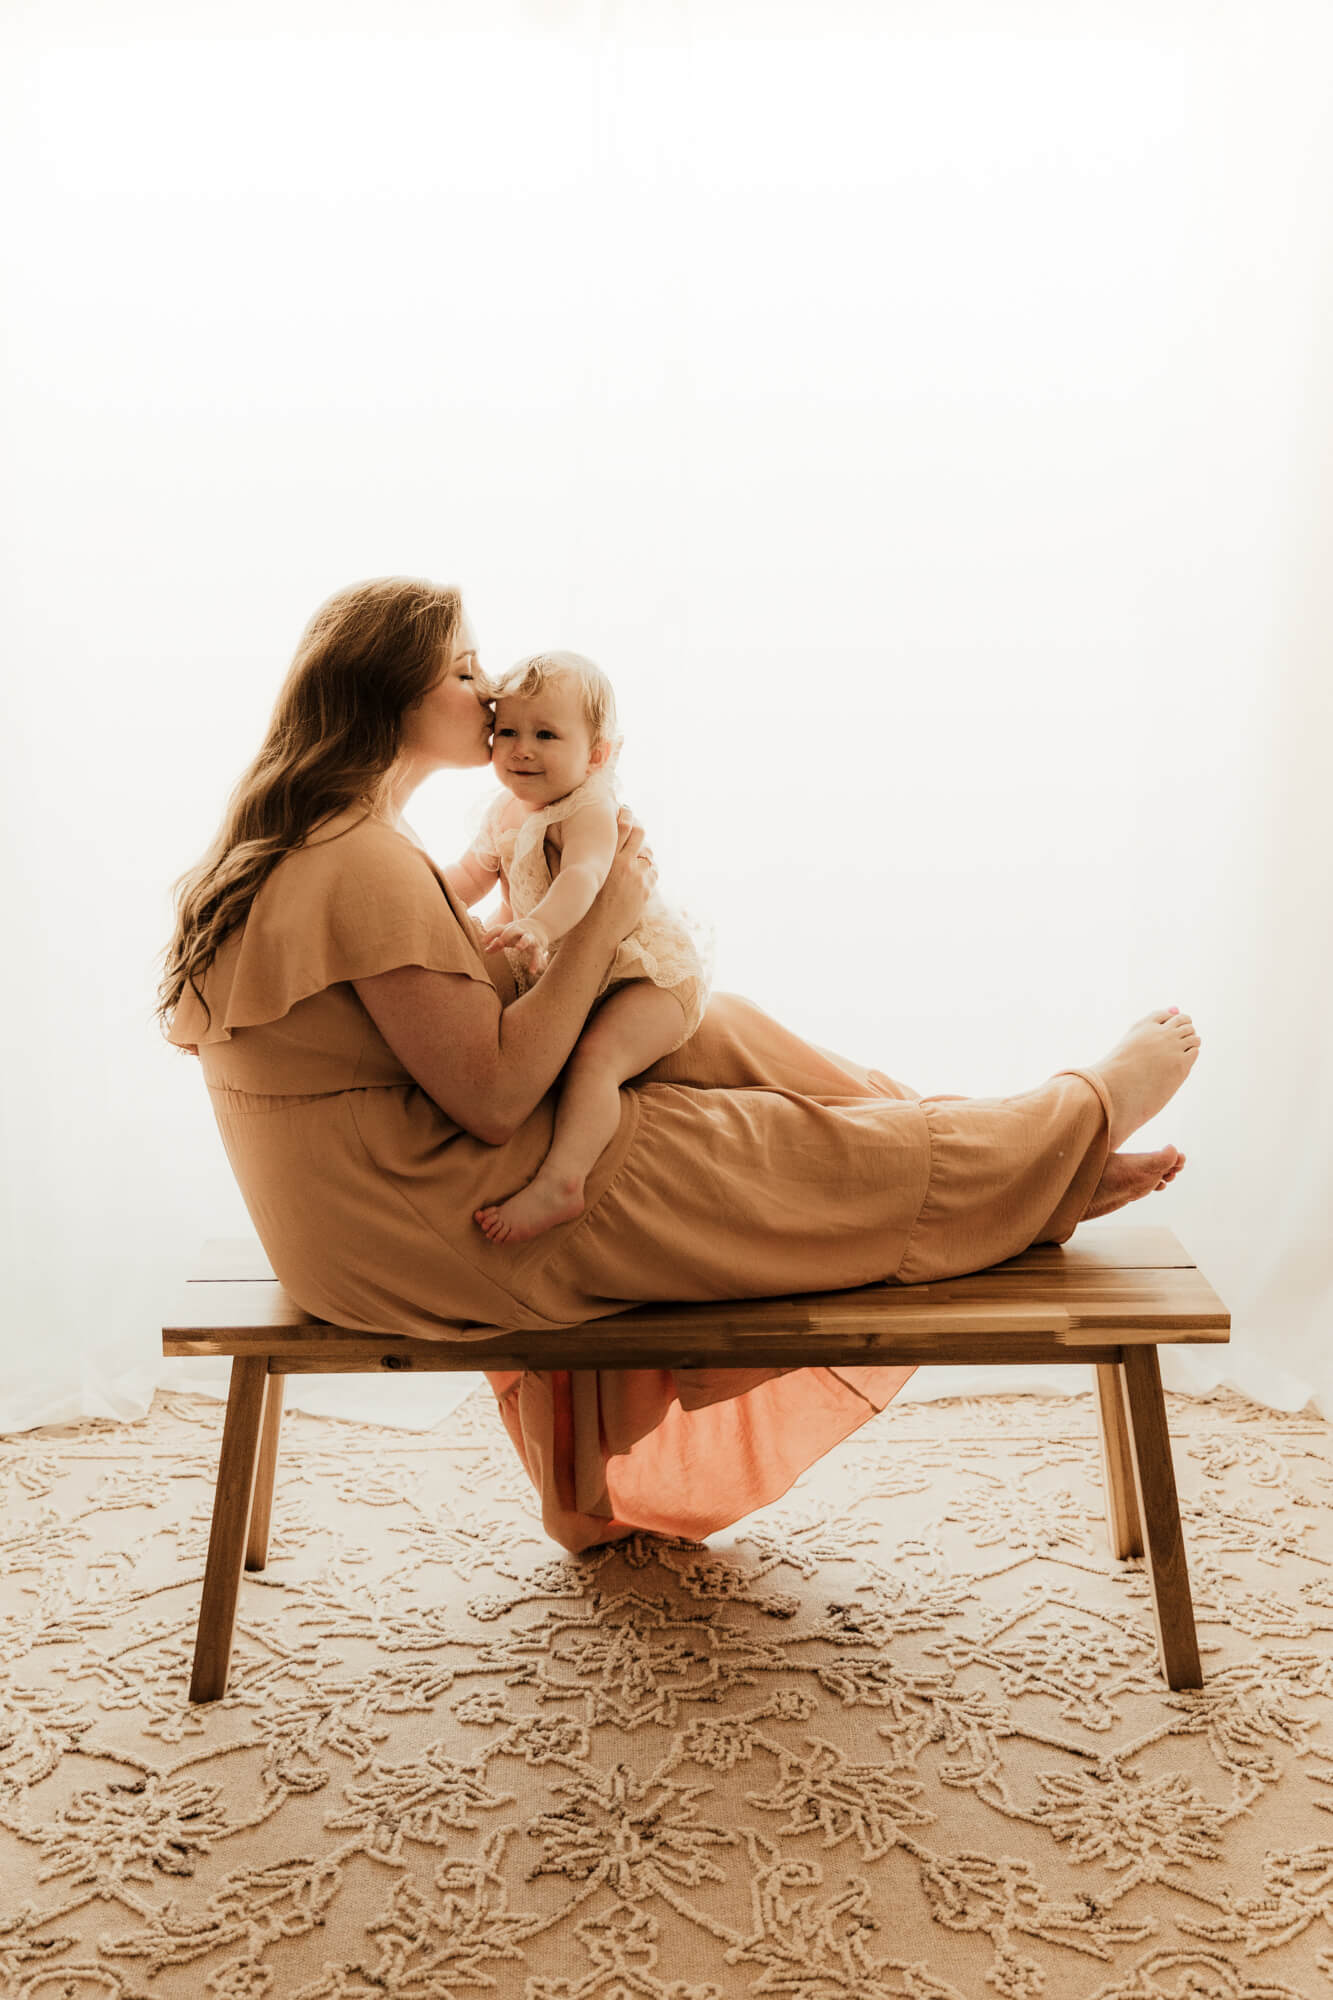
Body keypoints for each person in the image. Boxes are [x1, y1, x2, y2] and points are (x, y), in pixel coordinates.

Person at [158, 576, 1200, 1554]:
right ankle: (1075, 1118)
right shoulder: (361, 860)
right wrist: (605, 911)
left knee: (710, 1021)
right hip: (430, 1215)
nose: (488, 691)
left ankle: (1037, 1171)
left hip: (371, 1204)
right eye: (464, 670)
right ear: (390, 695)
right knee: (780, 1149)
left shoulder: (335, 837)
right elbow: (493, 1097)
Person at [439, 648, 710, 1245]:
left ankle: (564, 1181)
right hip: (581, 969)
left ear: (596, 755)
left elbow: (584, 880)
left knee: (595, 1061)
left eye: (545, 734)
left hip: (647, 977)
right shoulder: (504, 810)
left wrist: (536, 927)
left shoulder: (589, 806)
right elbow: (467, 877)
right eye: (506, 730)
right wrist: (421, 895)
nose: (521, 748)